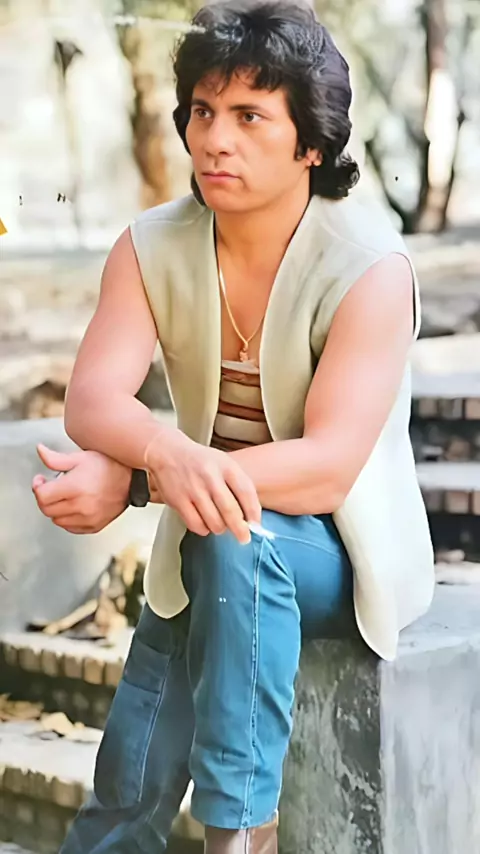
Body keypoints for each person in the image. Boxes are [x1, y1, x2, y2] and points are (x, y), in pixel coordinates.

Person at [32, 1, 434, 851]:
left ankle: (239, 835)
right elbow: (92, 400)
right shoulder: (151, 246)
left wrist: (137, 480)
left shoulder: (369, 265)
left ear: (311, 143)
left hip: (336, 551)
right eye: (203, 111)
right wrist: (162, 457)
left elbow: (327, 468)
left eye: (250, 117)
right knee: (131, 773)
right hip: (211, 540)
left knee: (236, 546)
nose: (215, 139)